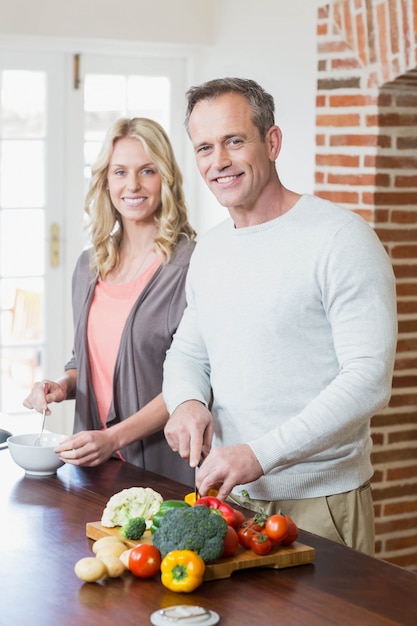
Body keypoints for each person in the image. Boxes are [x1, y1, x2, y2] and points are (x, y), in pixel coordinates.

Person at [162, 77, 398, 553]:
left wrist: (261, 454)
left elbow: (368, 378)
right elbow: (188, 351)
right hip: (234, 499)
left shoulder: (340, 239)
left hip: (320, 501)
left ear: (272, 142)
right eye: (204, 147)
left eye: (234, 140)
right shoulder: (209, 249)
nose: (219, 161)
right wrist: (186, 401)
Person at [24, 117, 196, 485]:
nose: (132, 185)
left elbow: (194, 382)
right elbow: (83, 360)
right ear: (106, 181)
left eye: (147, 171)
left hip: (163, 471)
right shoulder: (89, 265)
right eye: (120, 172)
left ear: (165, 178)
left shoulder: (189, 265)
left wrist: (113, 438)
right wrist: (62, 385)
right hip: (93, 468)